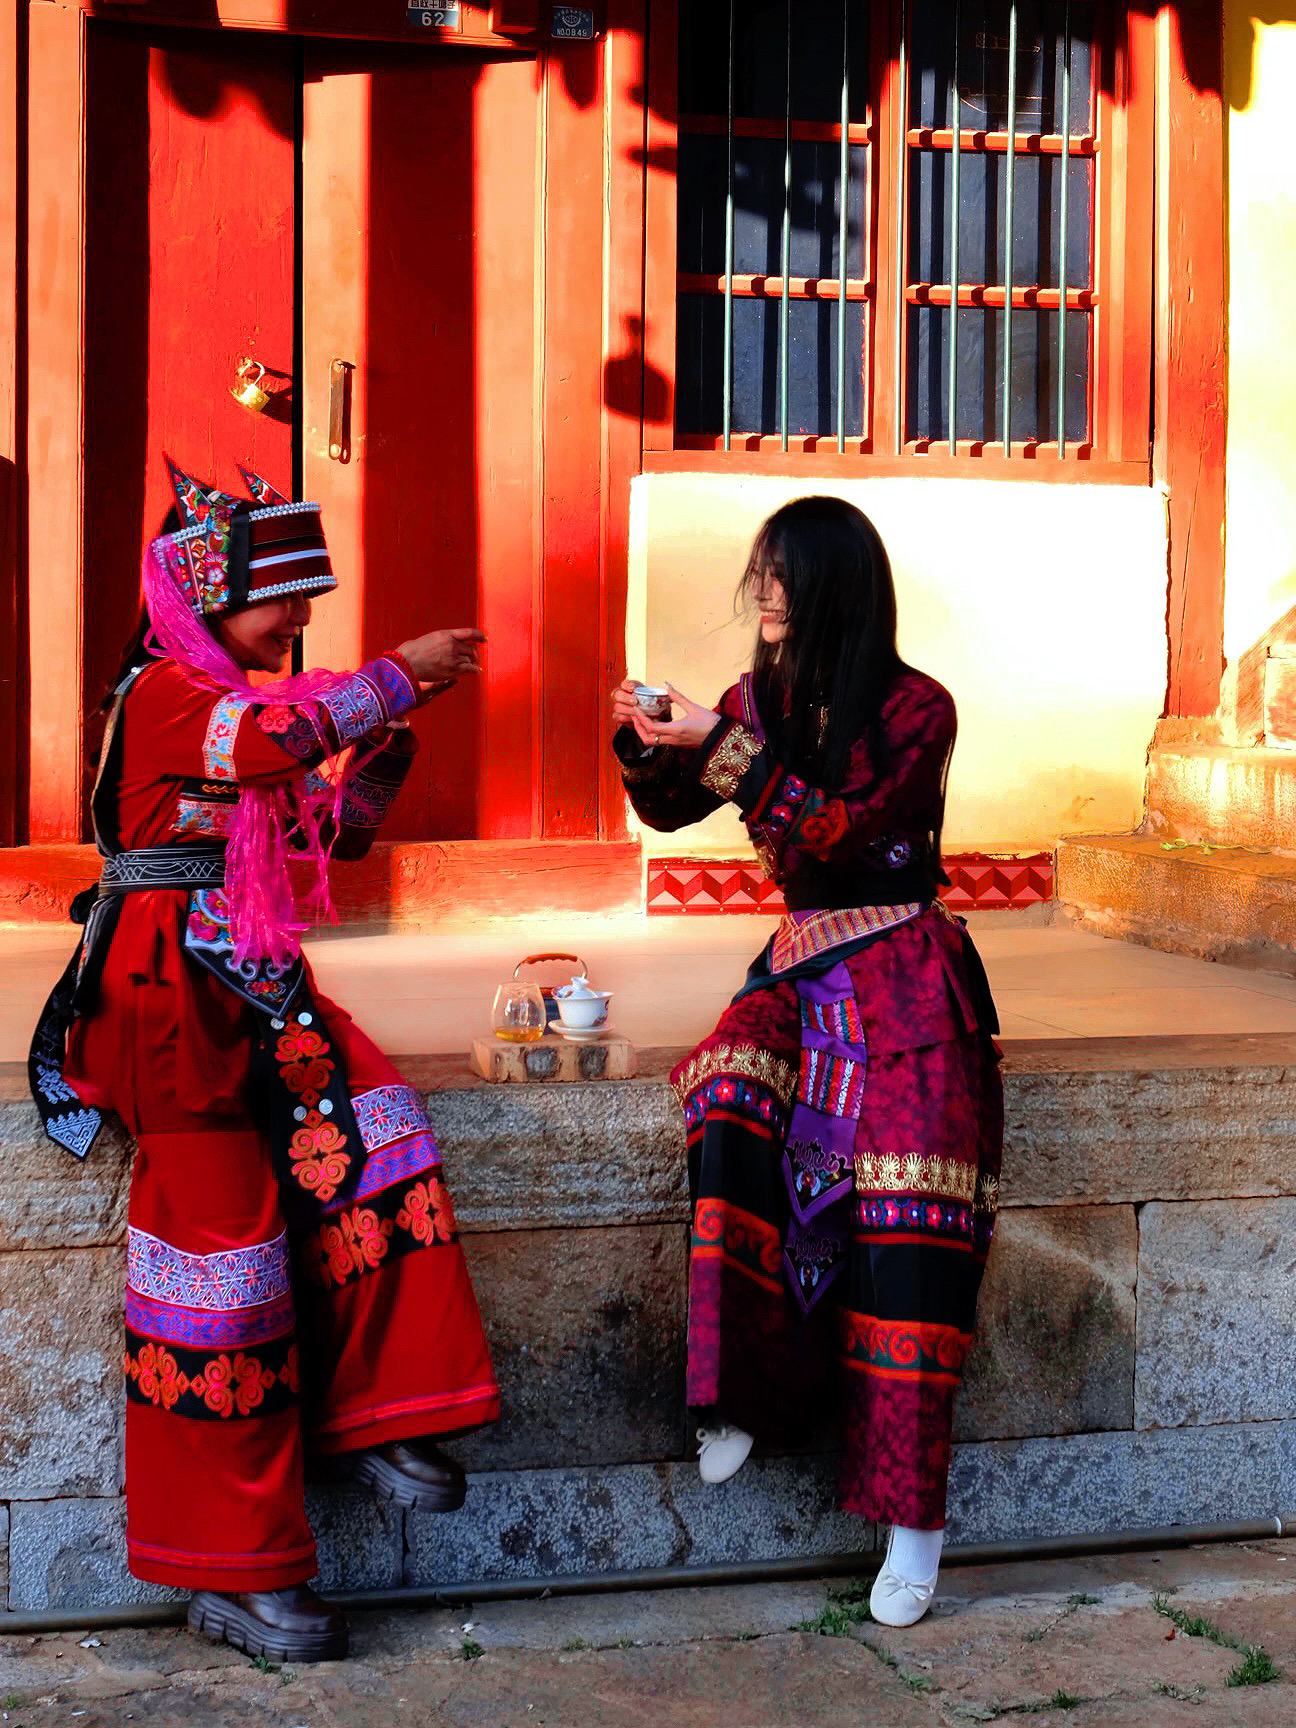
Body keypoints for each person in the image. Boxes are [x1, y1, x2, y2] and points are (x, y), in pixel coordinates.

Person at [30, 459, 500, 1663]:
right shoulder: (167, 694)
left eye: (304, 596)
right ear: (206, 592)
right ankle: (235, 1572)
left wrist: (386, 738)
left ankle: (381, 1410)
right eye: (279, 594)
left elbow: (326, 834)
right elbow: (274, 740)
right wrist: (391, 672)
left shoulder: (234, 704)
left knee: (380, 1136)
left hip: (250, 982)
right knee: (225, 1274)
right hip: (163, 1005)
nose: (297, 617)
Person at [610, 496, 1002, 1628]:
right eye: (761, 572)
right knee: (728, 1090)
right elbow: (673, 808)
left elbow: (843, 831)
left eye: (783, 574)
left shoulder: (920, 708)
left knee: (913, 1204)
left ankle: (913, 1526)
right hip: (798, 965)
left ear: (835, 585)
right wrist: (645, 741)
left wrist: (721, 745)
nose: (764, 593)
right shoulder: (754, 699)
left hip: (906, 973)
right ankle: (739, 1391)